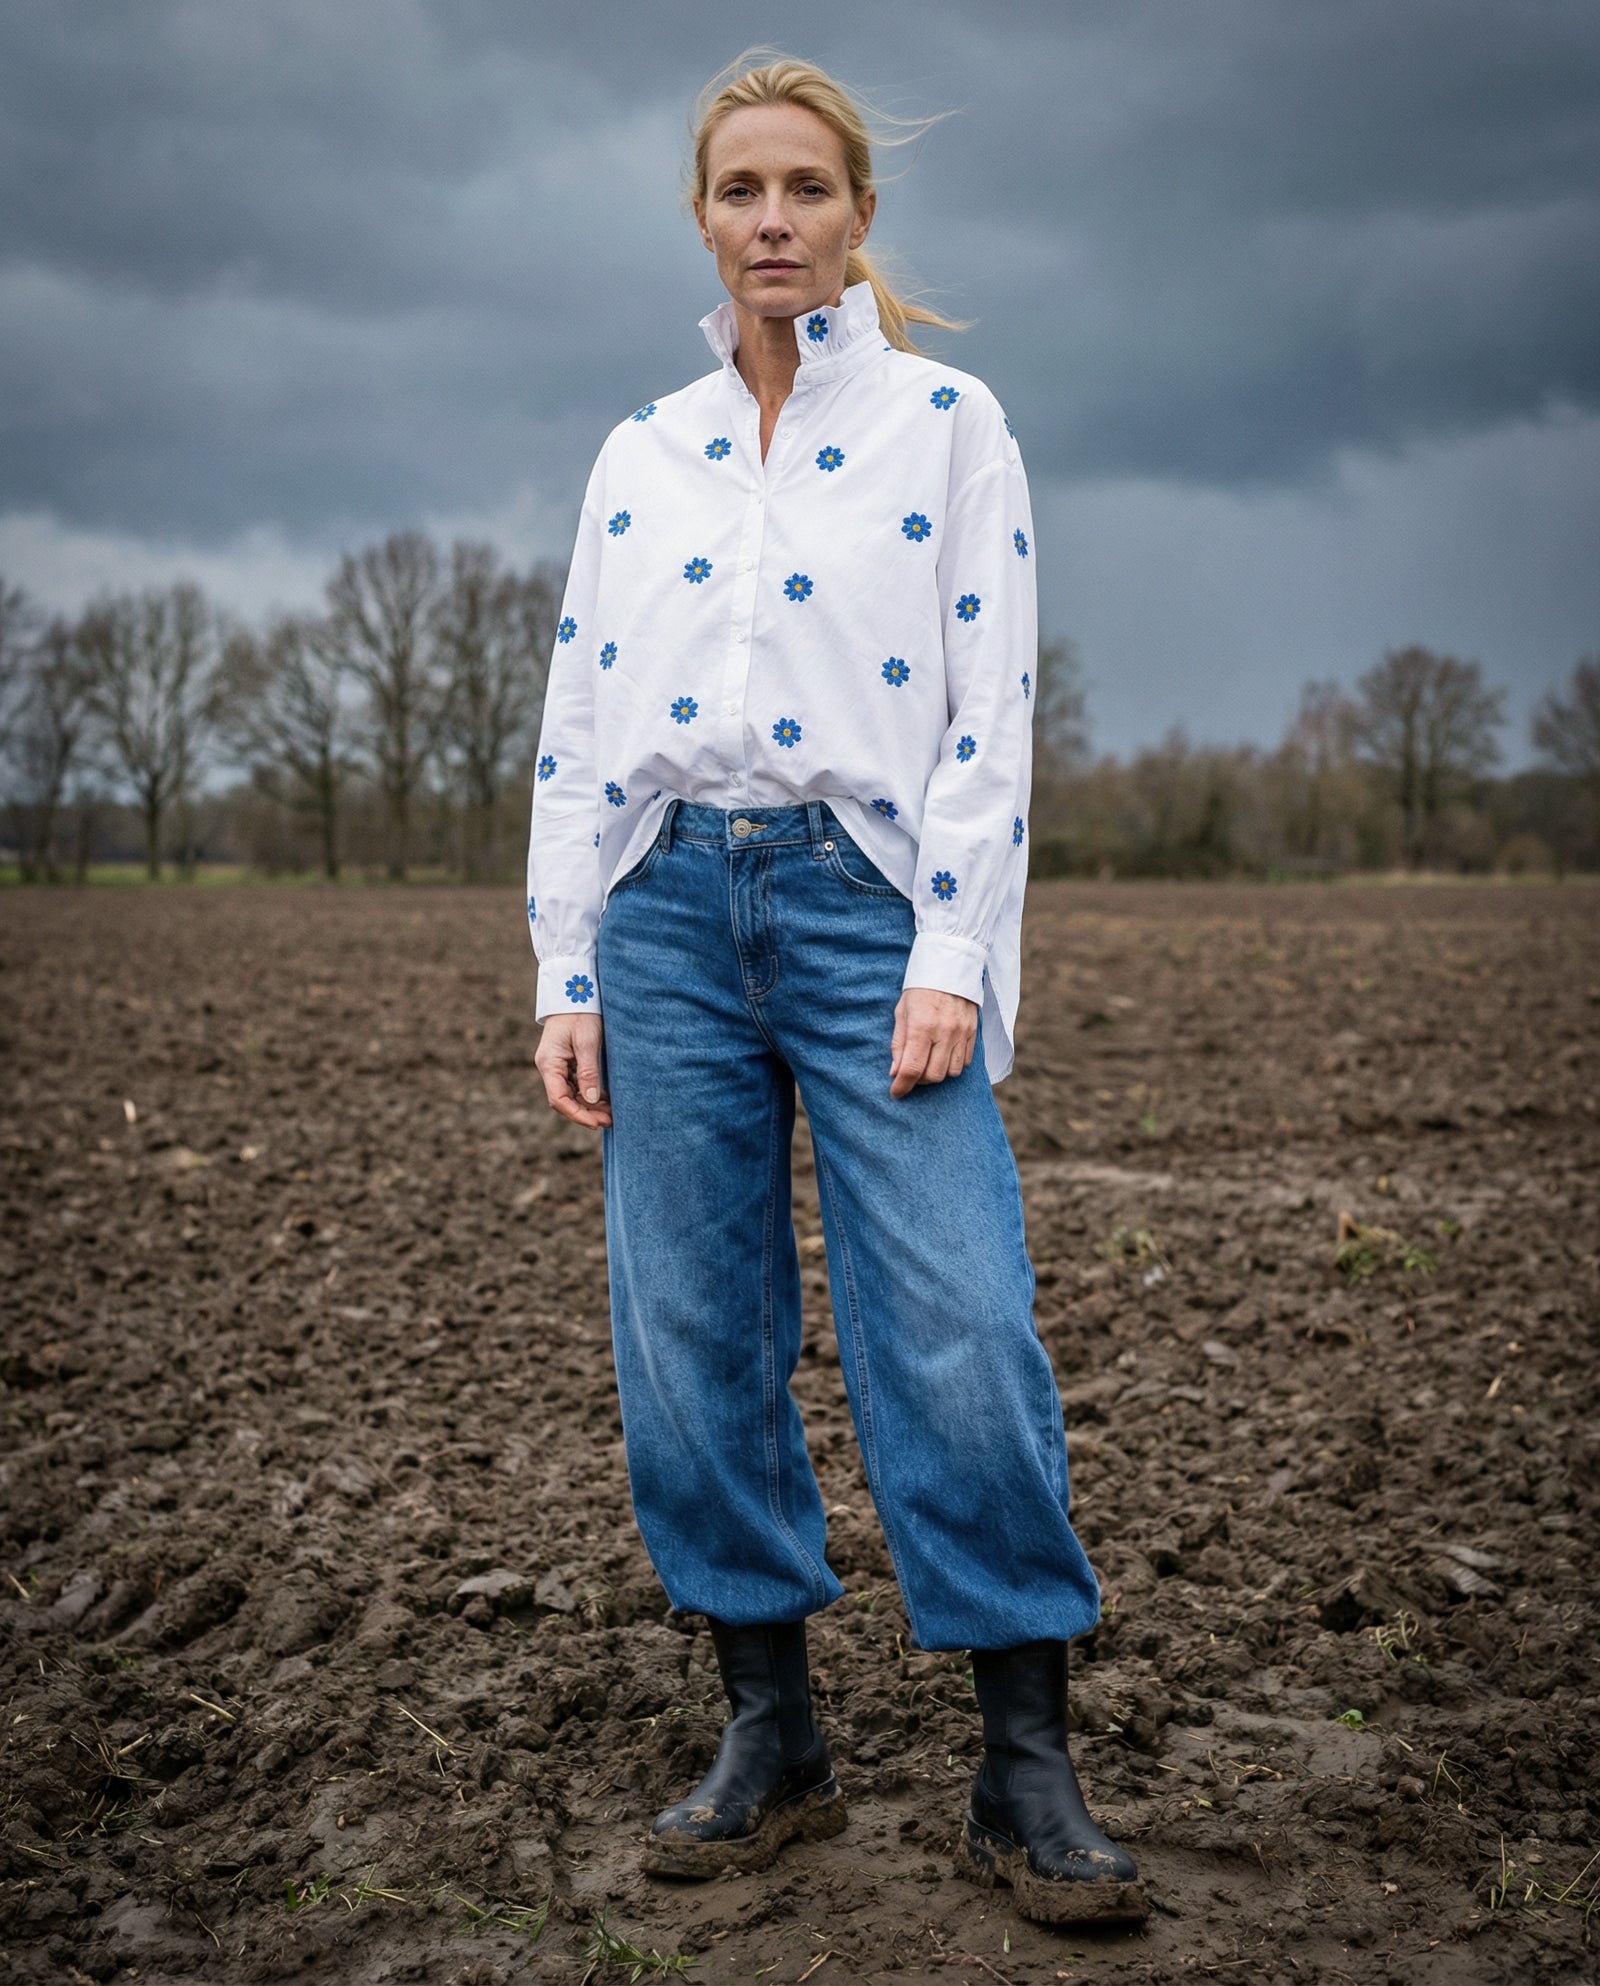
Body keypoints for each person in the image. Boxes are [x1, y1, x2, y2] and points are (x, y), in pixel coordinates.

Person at [526, 50, 1145, 1928]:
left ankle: (1023, 1761)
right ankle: (770, 1728)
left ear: (862, 215)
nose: (774, 220)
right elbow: (576, 718)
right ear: (702, 216)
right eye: (741, 192)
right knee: (691, 1329)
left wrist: (951, 946)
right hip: (662, 916)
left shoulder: (954, 425)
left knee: (955, 1313)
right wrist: (567, 959)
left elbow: (990, 715)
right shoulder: (640, 451)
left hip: (871, 901)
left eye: (808, 189)